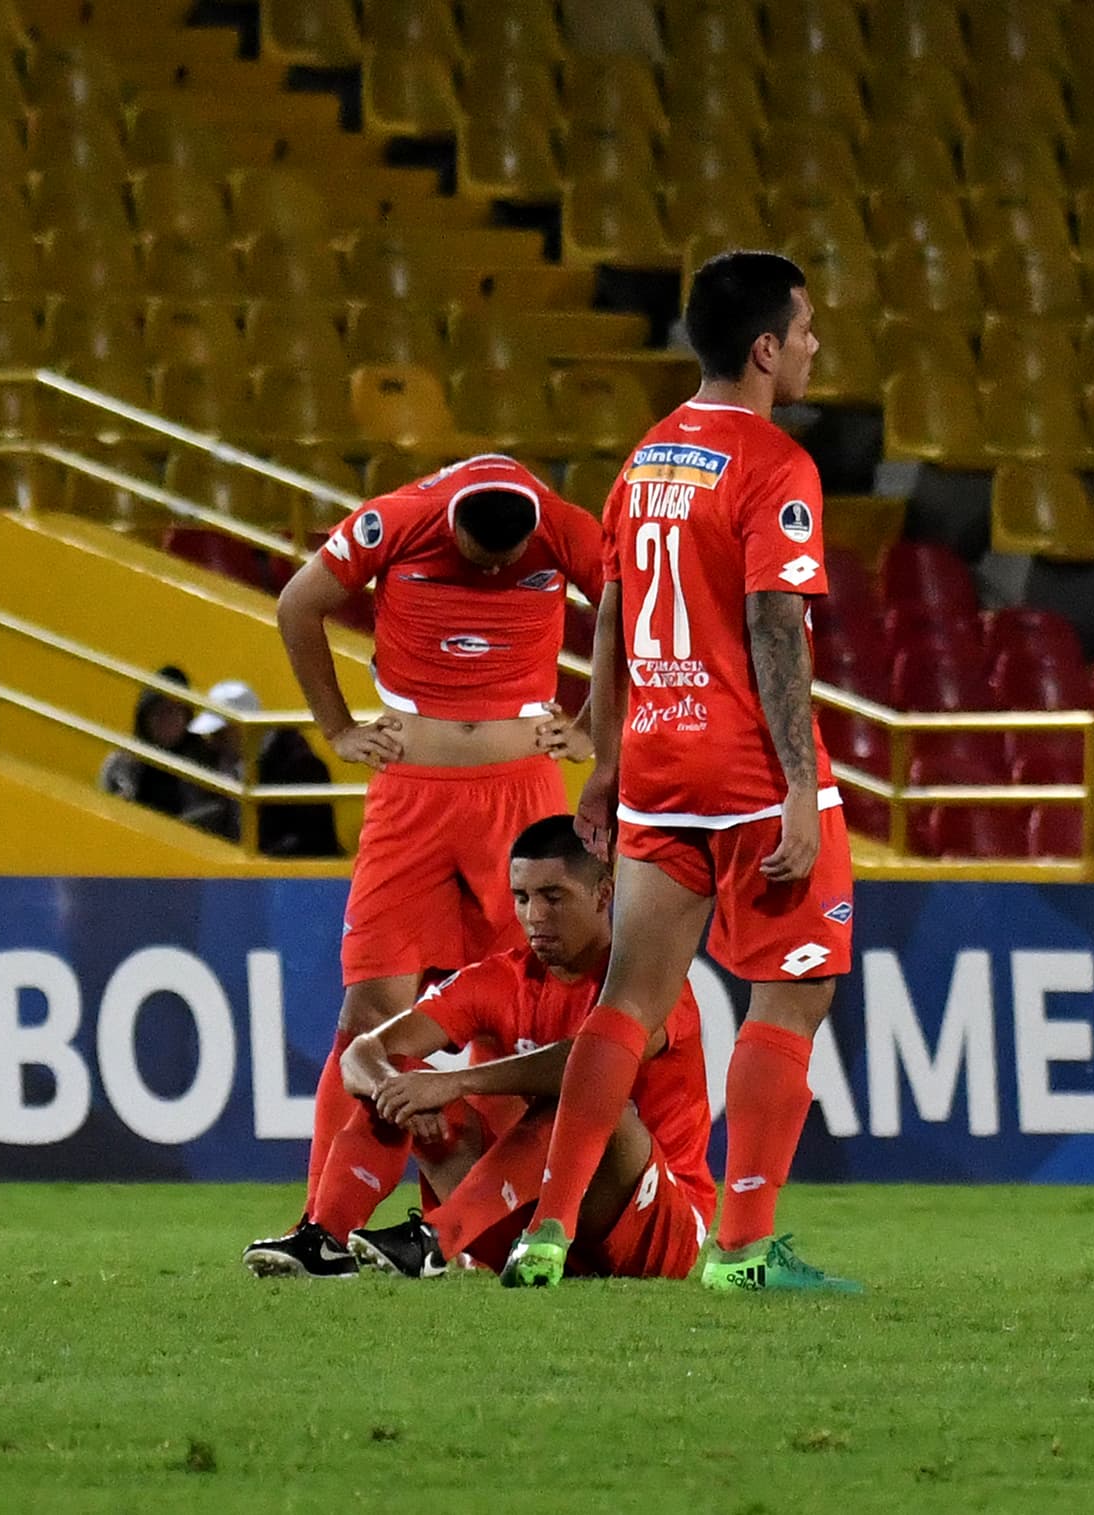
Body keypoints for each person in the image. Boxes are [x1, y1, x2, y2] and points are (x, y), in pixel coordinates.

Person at [501, 251, 862, 1294]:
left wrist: (605, 757)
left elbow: (611, 612)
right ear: (764, 348)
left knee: (626, 999)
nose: (813, 344)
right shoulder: (774, 464)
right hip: (747, 768)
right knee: (791, 996)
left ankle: (547, 1231)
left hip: (659, 765)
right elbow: (774, 627)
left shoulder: (647, 456)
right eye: (804, 328)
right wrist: (797, 786)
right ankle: (741, 1249)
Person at [241, 455, 604, 1267]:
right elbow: (298, 604)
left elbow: (632, 607)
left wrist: (594, 725)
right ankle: (320, 1224)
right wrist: (337, 728)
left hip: (521, 792)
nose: (495, 573)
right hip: (411, 797)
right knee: (373, 1010)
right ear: (450, 527)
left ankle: (480, 1231)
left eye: (510, 564)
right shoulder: (397, 519)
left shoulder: (564, 526)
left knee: (518, 1014)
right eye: (479, 560)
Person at [242, 815, 713, 1281]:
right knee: (400, 1076)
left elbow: (590, 1067)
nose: (534, 916)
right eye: (522, 898)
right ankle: (326, 1239)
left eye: (553, 897)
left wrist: (454, 1083)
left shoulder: (646, 988)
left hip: (656, 1228)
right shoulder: (501, 978)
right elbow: (361, 1054)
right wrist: (392, 1088)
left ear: (604, 895)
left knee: (584, 1099)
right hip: (528, 1217)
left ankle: (436, 1239)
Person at [186, 677, 340, 857]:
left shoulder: (301, 767)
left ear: (244, 728)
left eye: (221, 734)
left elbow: (309, 839)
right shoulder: (222, 763)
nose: (214, 743)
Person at [98, 664, 207, 818]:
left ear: (187, 718)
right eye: (160, 711)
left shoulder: (205, 766)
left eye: (175, 711)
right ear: (145, 717)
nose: (168, 719)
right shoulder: (121, 764)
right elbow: (104, 812)